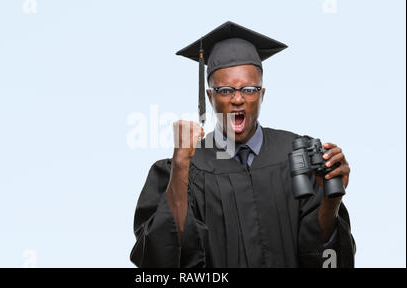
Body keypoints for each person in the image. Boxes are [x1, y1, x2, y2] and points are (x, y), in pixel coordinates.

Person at [130, 21, 355, 268]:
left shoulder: (295, 154)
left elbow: (321, 255)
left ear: (262, 94)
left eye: (249, 89)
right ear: (210, 97)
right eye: (225, 90)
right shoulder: (186, 168)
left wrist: (330, 203)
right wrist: (181, 166)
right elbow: (161, 261)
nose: (238, 99)